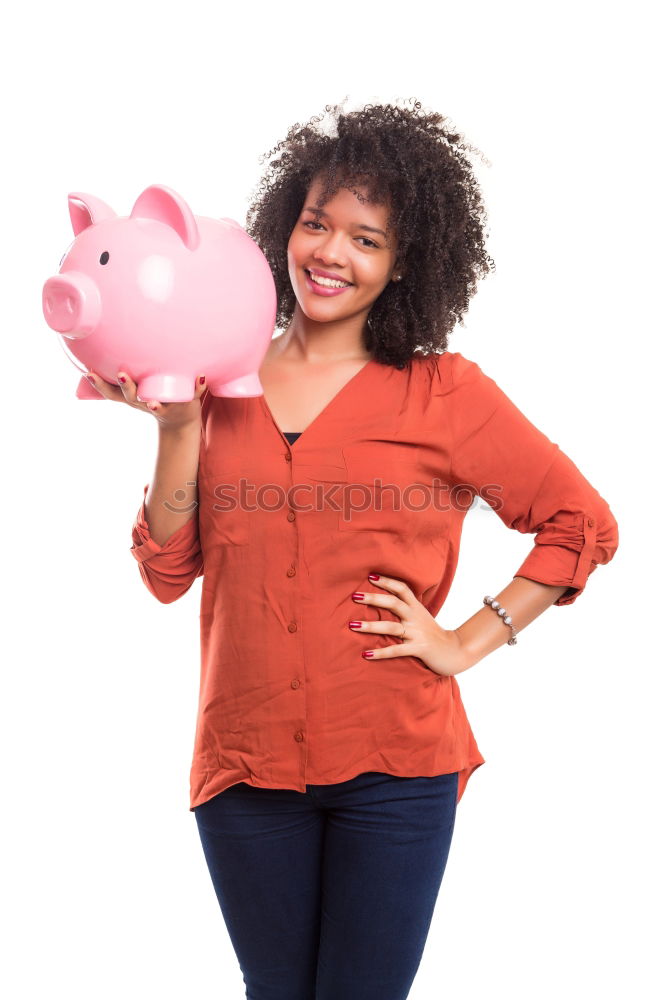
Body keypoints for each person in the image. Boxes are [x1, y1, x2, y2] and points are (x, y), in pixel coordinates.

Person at [87, 98, 619, 1000]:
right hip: (245, 769)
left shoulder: (444, 394)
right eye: (315, 225)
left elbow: (580, 522)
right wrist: (177, 429)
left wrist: (466, 641)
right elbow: (167, 575)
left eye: (367, 239)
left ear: (405, 262)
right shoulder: (217, 378)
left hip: (397, 771)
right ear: (282, 228)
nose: (331, 254)